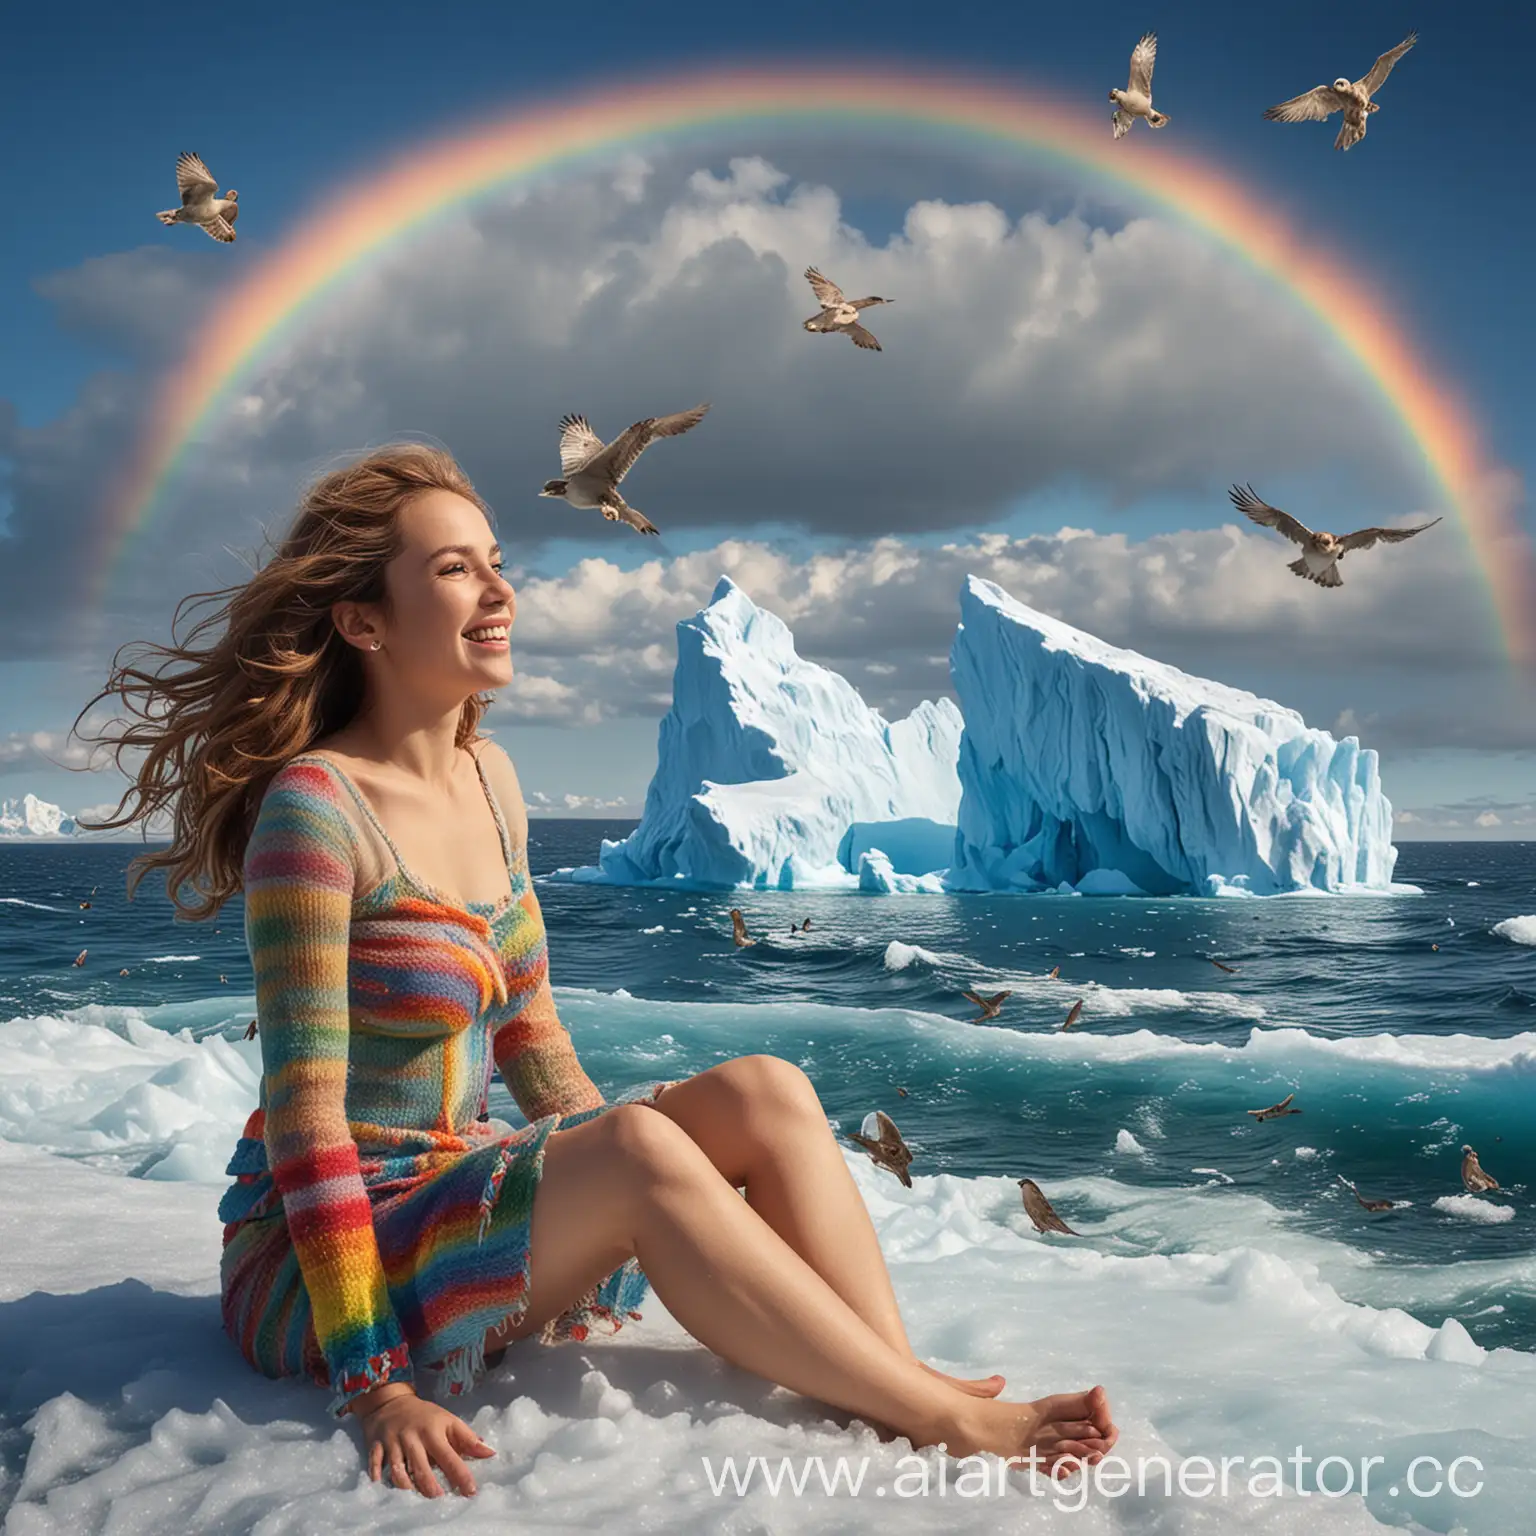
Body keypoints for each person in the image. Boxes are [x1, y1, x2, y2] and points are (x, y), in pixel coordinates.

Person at [75, 443, 1117, 1499]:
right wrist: (376, 1382)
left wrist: (631, 1153)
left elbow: (529, 1031)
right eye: (453, 569)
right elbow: (306, 1118)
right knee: (634, 1147)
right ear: (363, 620)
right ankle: (940, 1418)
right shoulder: (316, 808)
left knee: (766, 1091)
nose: (498, 589)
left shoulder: (492, 778)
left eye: (494, 560)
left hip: (446, 1179)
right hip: (321, 1266)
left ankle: (895, 1379)